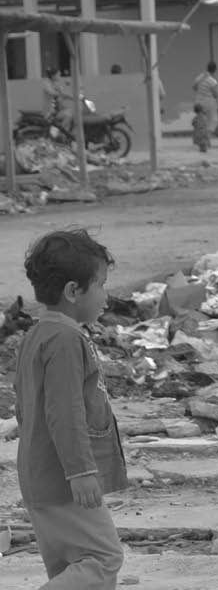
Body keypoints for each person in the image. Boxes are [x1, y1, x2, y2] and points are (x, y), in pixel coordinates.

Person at [13, 229, 126, 589]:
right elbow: (65, 411)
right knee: (104, 559)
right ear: (73, 291)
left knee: (69, 569)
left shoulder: (36, 335)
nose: (106, 296)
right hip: (64, 480)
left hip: (39, 473)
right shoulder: (64, 340)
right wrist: (80, 471)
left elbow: (23, 406)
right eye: (101, 285)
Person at [192, 61, 218, 152]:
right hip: (208, 104)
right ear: (215, 70)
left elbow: (194, 87)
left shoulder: (200, 77)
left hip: (198, 103)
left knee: (200, 121)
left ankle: (200, 138)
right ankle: (206, 138)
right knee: (213, 121)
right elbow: (216, 95)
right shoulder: (212, 81)